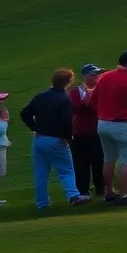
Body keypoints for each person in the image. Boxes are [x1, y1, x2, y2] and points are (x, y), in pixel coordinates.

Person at [20, 68, 90, 208]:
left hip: (39, 139)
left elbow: (25, 113)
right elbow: (67, 121)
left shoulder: (41, 96)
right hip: (56, 140)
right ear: (68, 82)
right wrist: (68, 137)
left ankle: (42, 203)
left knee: (41, 173)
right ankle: (73, 196)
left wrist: (35, 128)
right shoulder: (64, 99)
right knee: (66, 169)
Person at [90, 50, 127, 204]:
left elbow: (93, 100)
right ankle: (123, 195)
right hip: (123, 126)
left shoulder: (104, 77)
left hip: (103, 124)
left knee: (109, 158)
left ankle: (109, 193)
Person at [68, 63, 105, 197]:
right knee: (81, 164)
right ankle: (83, 190)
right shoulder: (76, 92)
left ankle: (102, 188)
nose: (97, 77)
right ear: (85, 76)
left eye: (98, 74)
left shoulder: (102, 89)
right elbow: (75, 109)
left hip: (99, 132)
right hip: (80, 133)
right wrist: (86, 101)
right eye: (93, 75)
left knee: (100, 161)